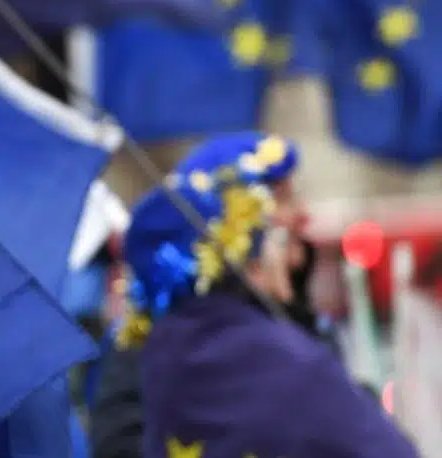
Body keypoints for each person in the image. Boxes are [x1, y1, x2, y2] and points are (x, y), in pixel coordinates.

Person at [115, 135, 418, 458]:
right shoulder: (289, 361)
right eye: (282, 200)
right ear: (239, 242)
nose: (301, 214)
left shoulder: (165, 350)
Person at [88, 132, 321, 458]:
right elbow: (120, 446)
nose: (303, 214)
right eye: (282, 200)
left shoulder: (305, 319)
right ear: (230, 224)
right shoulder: (145, 339)